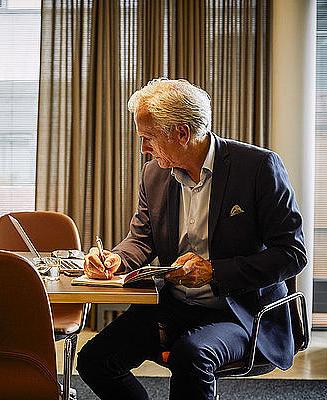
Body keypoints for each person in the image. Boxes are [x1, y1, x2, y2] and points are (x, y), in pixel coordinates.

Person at [76, 78, 307, 400]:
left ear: (182, 133)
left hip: (240, 311)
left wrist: (214, 271)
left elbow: (292, 254)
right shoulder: (154, 173)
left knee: (190, 355)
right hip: (173, 305)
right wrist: (115, 259)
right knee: (94, 360)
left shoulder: (258, 167)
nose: (143, 148)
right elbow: (142, 238)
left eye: (148, 138)